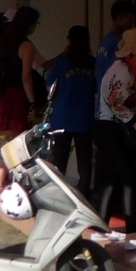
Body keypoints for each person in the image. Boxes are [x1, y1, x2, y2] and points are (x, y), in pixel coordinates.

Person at [0, 6, 44, 193]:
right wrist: (33, 103)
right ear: (29, 25)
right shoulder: (26, 46)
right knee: (11, 144)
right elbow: (26, 77)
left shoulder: (0, 40)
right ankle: (0, 186)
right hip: (14, 99)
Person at [94, 26, 136, 236]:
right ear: (135, 50)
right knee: (128, 179)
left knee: (112, 180)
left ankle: (101, 228)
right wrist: (135, 122)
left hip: (107, 128)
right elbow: (115, 101)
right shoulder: (124, 70)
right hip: (111, 128)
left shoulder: (123, 67)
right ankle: (131, 232)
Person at [46, 25, 97, 198]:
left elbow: (50, 85)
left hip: (62, 117)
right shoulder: (93, 63)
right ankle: (84, 194)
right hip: (85, 117)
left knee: (59, 159)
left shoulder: (62, 62)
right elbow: (98, 88)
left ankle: (57, 193)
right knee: (85, 160)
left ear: (70, 41)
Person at [96, 0, 136, 85]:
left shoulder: (104, 42)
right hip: (113, 91)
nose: (131, 23)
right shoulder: (119, 43)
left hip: (102, 91)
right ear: (120, 18)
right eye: (130, 19)